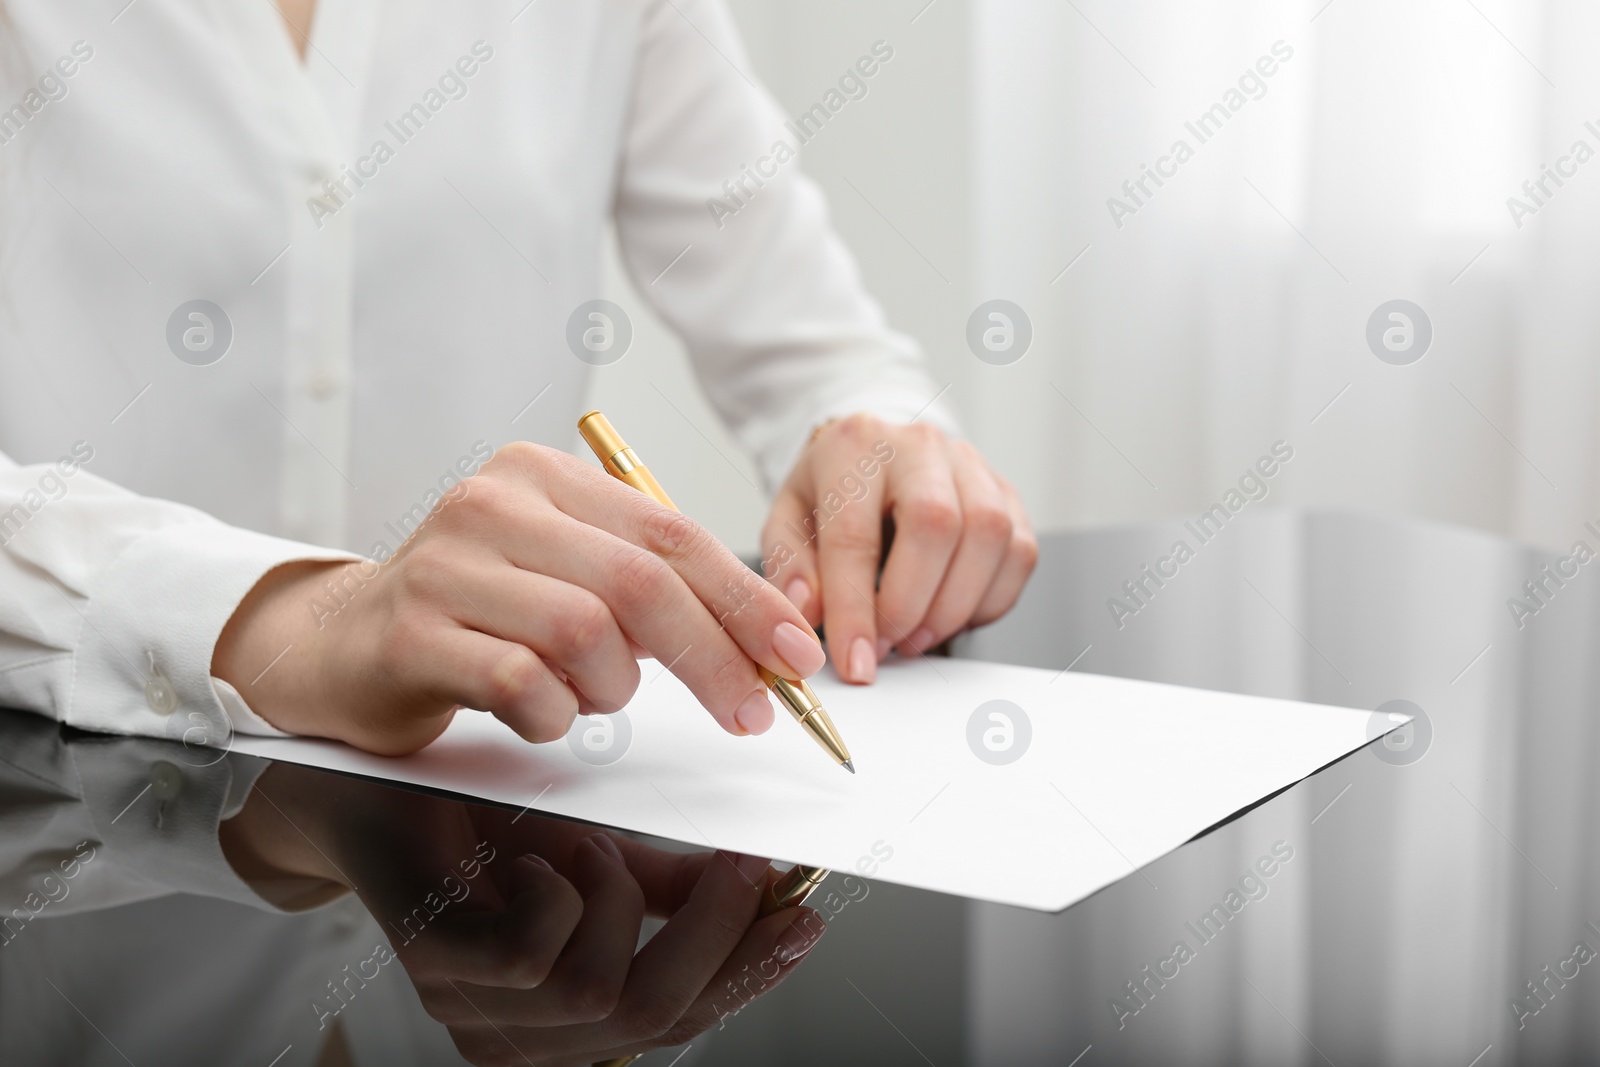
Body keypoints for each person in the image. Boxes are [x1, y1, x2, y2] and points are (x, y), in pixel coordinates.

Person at [0, 0, 1037, 757]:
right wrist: (292, 622)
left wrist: (881, 450)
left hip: (509, 822)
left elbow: (813, 342)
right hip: (76, 803)